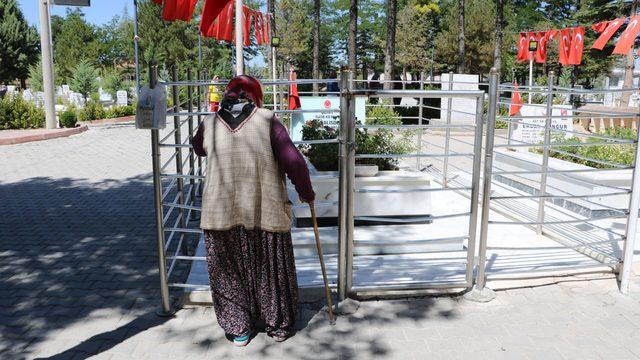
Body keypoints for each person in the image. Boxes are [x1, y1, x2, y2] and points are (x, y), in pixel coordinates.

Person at [192, 75, 314, 347]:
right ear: (256, 95)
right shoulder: (268, 120)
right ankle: (278, 325)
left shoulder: (210, 123)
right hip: (264, 210)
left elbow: (198, 148)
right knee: (270, 269)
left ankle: (239, 329)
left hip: (221, 213)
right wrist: (306, 192)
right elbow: (294, 161)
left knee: (228, 271)